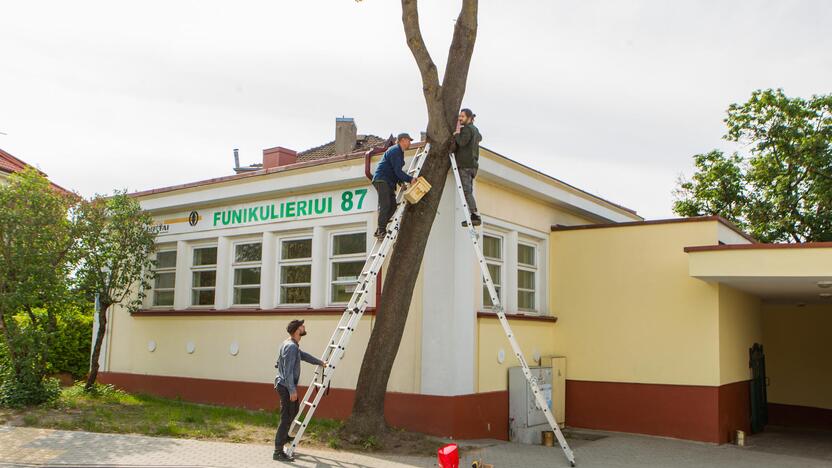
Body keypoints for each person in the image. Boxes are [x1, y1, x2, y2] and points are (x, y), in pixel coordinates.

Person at [273, 319, 326, 462]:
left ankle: (286, 438)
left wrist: (320, 362)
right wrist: (292, 391)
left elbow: (304, 356)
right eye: (302, 326)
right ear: (297, 330)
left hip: (284, 384)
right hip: (286, 386)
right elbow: (289, 371)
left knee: (294, 412)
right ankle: (278, 451)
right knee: (286, 419)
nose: (304, 327)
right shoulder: (291, 347)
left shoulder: (291, 344)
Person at [372, 133, 415, 240]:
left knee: (392, 206)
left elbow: (395, 171)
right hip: (382, 180)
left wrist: (401, 182)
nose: (410, 143)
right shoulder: (396, 151)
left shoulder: (399, 152)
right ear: (403, 140)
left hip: (388, 182)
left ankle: (379, 229)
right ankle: (381, 230)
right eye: (409, 140)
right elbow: (397, 171)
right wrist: (410, 179)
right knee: (385, 205)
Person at [454, 108, 483, 227]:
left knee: (466, 191)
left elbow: (461, 142)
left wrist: (456, 134)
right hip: (473, 165)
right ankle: (473, 215)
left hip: (465, 165)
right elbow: (480, 137)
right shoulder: (475, 130)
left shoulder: (466, 129)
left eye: (463, 116)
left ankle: (475, 215)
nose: (460, 118)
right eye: (460, 116)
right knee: (469, 191)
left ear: (469, 118)